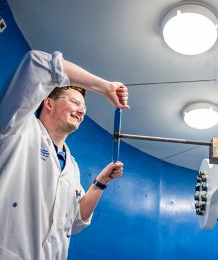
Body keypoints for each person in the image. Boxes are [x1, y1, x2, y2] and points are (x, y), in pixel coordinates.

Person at [0, 50, 130, 259]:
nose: (82, 111)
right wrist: (104, 87)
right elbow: (38, 63)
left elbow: (76, 221)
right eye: (75, 102)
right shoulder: (17, 127)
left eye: (84, 107)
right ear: (48, 103)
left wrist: (100, 182)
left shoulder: (71, 167)